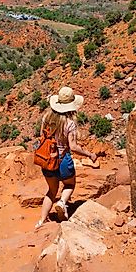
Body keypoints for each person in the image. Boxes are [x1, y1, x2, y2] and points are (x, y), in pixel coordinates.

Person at [35, 86, 98, 229]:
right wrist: (89, 154)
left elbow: (41, 137)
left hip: (47, 160)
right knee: (69, 185)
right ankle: (62, 202)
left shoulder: (46, 118)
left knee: (51, 191)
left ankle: (41, 221)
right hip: (63, 161)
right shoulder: (70, 124)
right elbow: (74, 147)